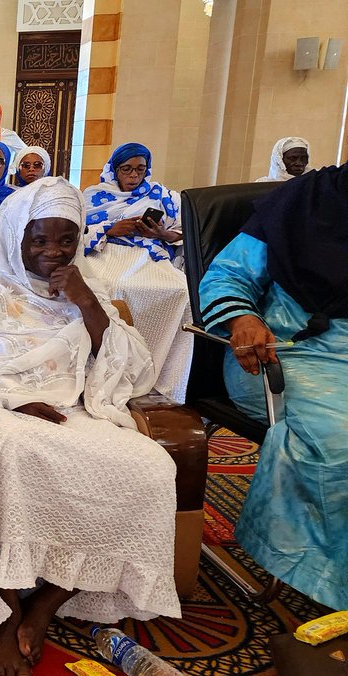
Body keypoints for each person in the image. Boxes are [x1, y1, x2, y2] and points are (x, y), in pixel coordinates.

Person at [0, 177, 180, 676]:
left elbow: (133, 369)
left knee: (152, 467)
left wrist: (86, 302)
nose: (53, 252)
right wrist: (13, 400)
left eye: (66, 239)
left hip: (73, 411)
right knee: (4, 445)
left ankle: (48, 601)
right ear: (15, 238)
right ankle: (6, 608)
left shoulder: (88, 292)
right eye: (39, 240)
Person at [198, 163, 348, 611]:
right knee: (339, 440)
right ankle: (328, 578)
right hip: (287, 350)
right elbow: (227, 276)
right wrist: (242, 317)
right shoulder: (303, 201)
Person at [82, 142, 192, 403]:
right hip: (106, 251)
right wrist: (109, 229)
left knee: (183, 291)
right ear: (114, 169)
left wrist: (161, 233)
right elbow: (77, 232)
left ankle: (162, 376)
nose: (133, 175)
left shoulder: (163, 195)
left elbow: (182, 232)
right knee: (111, 287)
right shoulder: (92, 196)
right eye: (127, 169)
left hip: (149, 254)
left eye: (140, 169)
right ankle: (108, 368)